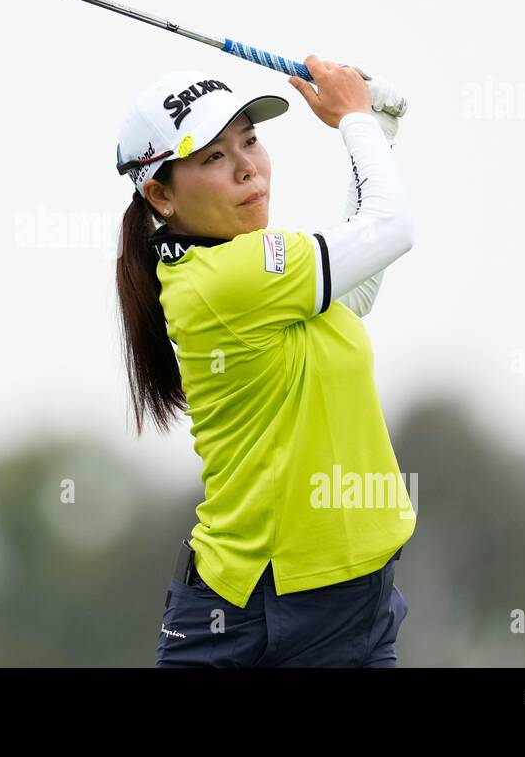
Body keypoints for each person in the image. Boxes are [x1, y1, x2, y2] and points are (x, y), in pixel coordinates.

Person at [114, 56, 416, 667]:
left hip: (345, 605)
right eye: (213, 157)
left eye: (249, 140)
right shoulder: (232, 275)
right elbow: (391, 227)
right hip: (251, 612)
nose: (247, 167)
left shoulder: (261, 267)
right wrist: (355, 120)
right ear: (160, 194)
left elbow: (354, 295)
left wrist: (376, 130)